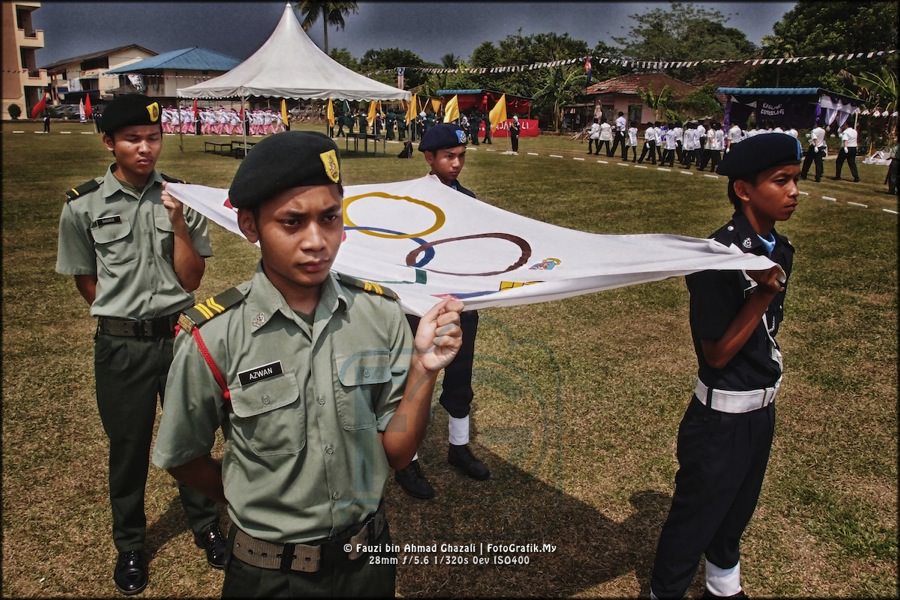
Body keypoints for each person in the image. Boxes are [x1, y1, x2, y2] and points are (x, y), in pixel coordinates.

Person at [151, 131, 464, 597]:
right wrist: (251, 497)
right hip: (268, 576)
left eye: (330, 218)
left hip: (368, 563)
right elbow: (182, 456)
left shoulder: (379, 314)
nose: (317, 241)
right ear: (250, 225)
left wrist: (423, 368)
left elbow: (397, 454)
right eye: (292, 223)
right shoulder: (214, 336)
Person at [55, 94, 225, 596]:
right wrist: (123, 319)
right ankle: (130, 544)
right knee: (127, 448)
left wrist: (175, 221)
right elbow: (86, 280)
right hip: (121, 348)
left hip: (177, 338)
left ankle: (206, 525)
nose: (146, 148)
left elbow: (192, 278)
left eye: (153, 138)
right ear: (109, 142)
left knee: (189, 437)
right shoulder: (83, 206)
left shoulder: (181, 198)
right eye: (133, 139)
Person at [650, 133, 802, 600]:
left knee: (737, 512)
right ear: (743, 189)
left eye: (796, 180)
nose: (794, 192)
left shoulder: (779, 247)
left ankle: (723, 587)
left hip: (761, 410)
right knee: (694, 522)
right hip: (721, 420)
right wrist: (762, 291)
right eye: (781, 181)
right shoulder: (716, 259)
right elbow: (715, 353)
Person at [393, 123, 491, 500]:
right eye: (449, 156)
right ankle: (408, 460)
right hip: (418, 310)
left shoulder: (470, 199)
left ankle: (459, 446)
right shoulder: (410, 203)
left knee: (460, 379)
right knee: (411, 381)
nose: (456, 163)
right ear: (429, 157)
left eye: (461, 156)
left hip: (461, 307)